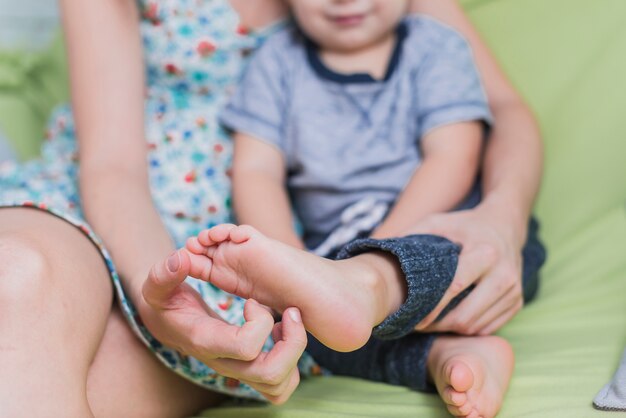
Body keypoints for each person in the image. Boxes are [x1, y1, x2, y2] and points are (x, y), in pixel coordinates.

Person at [0, 0, 544, 417]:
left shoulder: (400, 30)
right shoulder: (280, 64)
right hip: (113, 204)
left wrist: (503, 218)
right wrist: (161, 299)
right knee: (18, 275)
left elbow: (500, 110)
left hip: (259, 262)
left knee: (71, 384)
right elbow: (112, 167)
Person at [183, 1, 544, 417]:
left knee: (431, 258)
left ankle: (362, 290)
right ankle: (442, 356)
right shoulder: (276, 64)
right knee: (302, 331)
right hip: (338, 254)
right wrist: (292, 264)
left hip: (445, 228)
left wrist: (375, 255)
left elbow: (453, 157)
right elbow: (255, 170)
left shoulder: (434, 46)